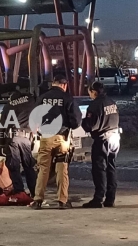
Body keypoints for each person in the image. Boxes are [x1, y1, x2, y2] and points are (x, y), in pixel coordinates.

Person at [31, 75, 82, 210]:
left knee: (43, 169)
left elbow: (34, 117)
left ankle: (38, 200)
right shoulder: (67, 98)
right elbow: (76, 120)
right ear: (64, 85)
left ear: (53, 83)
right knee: (62, 169)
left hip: (46, 138)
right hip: (62, 139)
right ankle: (62, 201)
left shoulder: (43, 98)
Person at [81, 82, 120, 208]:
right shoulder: (111, 101)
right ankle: (110, 198)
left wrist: (83, 122)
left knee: (99, 169)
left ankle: (98, 198)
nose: (89, 95)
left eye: (89, 92)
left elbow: (91, 125)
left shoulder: (95, 105)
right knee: (111, 167)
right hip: (115, 137)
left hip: (103, 139)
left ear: (94, 91)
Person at [0, 89, 37, 197]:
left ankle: (19, 192)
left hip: (13, 138)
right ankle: (35, 192)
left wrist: (1, 144)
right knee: (28, 166)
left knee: (14, 166)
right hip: (27, 138)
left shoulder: (9, 106)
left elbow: (2, 126)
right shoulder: (31, 101)